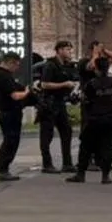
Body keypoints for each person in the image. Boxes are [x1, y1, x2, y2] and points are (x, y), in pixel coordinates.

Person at [70, 57, 112, 185]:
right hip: (111, 118)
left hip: (94, 119)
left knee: (86, 147)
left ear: (97, 70)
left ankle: (80, 174)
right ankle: (106, 175)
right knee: (108, 148)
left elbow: (85, 101)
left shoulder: (91, 84)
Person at [38, 40, 80, 174]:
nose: (69, 52)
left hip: (60, 103)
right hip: (49, 103)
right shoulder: (50, 65)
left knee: (66, 131)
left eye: (70, 50)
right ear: (59, 50)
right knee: (47, 135)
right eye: (67, 49)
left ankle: (67, 163)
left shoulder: (65, 66)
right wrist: (64, 84)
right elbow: (44, 84)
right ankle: (47, 164)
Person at [0, 52, 35, 182]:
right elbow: (15, 95)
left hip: (12, 113)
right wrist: (26, 92)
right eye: (16, 65)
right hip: (9, 113)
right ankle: (2, 170)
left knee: (12, 141)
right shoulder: (3, 77)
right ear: (10, 62)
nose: (17, 68)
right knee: (10, 141)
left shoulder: (4, 76)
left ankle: (4, 169)